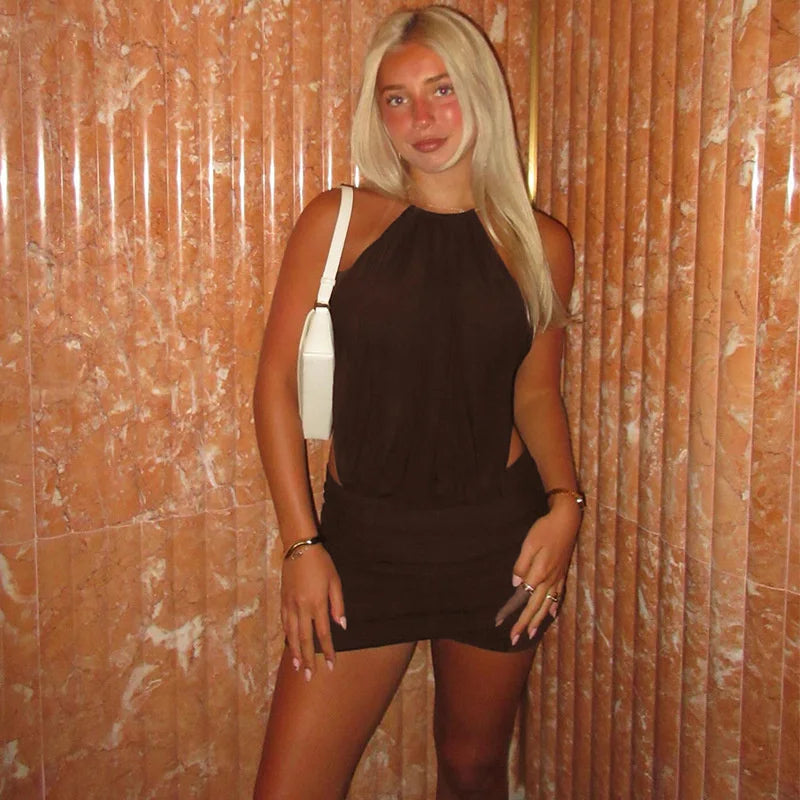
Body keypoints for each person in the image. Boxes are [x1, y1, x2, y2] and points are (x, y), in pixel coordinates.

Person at [251, 6, 582, 799]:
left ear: (481, 93)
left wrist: (565, 504)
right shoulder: (338, 222)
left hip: (496, 546)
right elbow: (274, 386)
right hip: (361, 548)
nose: (421, 118)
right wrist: (301, 544)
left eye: (442, 89)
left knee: (473, 768)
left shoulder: (542, 245)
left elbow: (536, 390)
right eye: (396, 98)